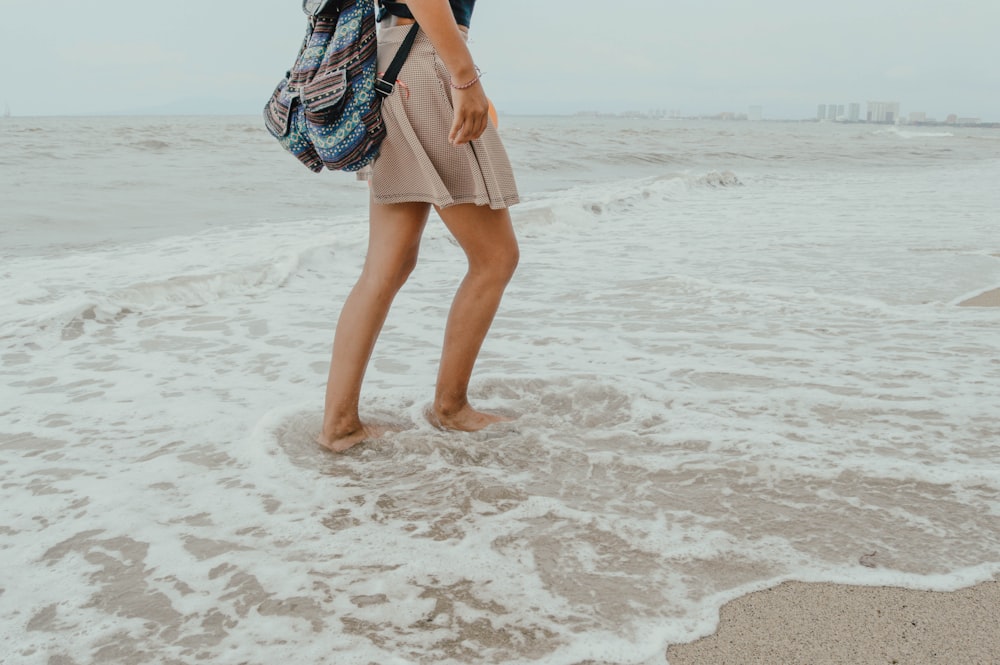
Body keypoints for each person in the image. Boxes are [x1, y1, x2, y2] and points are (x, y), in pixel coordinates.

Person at [317, 0, 520, 453]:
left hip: (397, 59)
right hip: (425, 59)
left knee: (386, 264)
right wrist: (464, 78)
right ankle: (452, 409)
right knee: (495, 257)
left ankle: (339, 425)